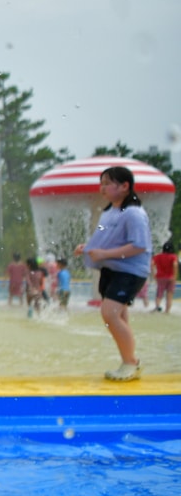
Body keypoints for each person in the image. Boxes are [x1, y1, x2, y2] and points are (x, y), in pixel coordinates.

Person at [75, 164, 152, 382]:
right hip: (112, 269)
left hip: (129, 271)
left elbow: (139, 246)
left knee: (109, 314)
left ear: (125, 186)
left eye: (108, 183)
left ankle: (131, 362)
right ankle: (128, 362)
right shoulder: (109, 213)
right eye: (101, 183)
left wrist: (105, 253)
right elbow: (101, 235)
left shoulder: (134, 214)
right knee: (118, 316)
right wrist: (87, 247)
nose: (102, 188)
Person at [152, 241, 177, 314]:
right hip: (171, 277)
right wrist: (174, 276)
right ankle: (167, 311)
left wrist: (154, 274)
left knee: (159, 293)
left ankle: (157, 307)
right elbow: (175, 265)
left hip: (160, 277)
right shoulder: (173, 256)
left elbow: (152, 264)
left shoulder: (158, 256)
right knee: (169, 295)